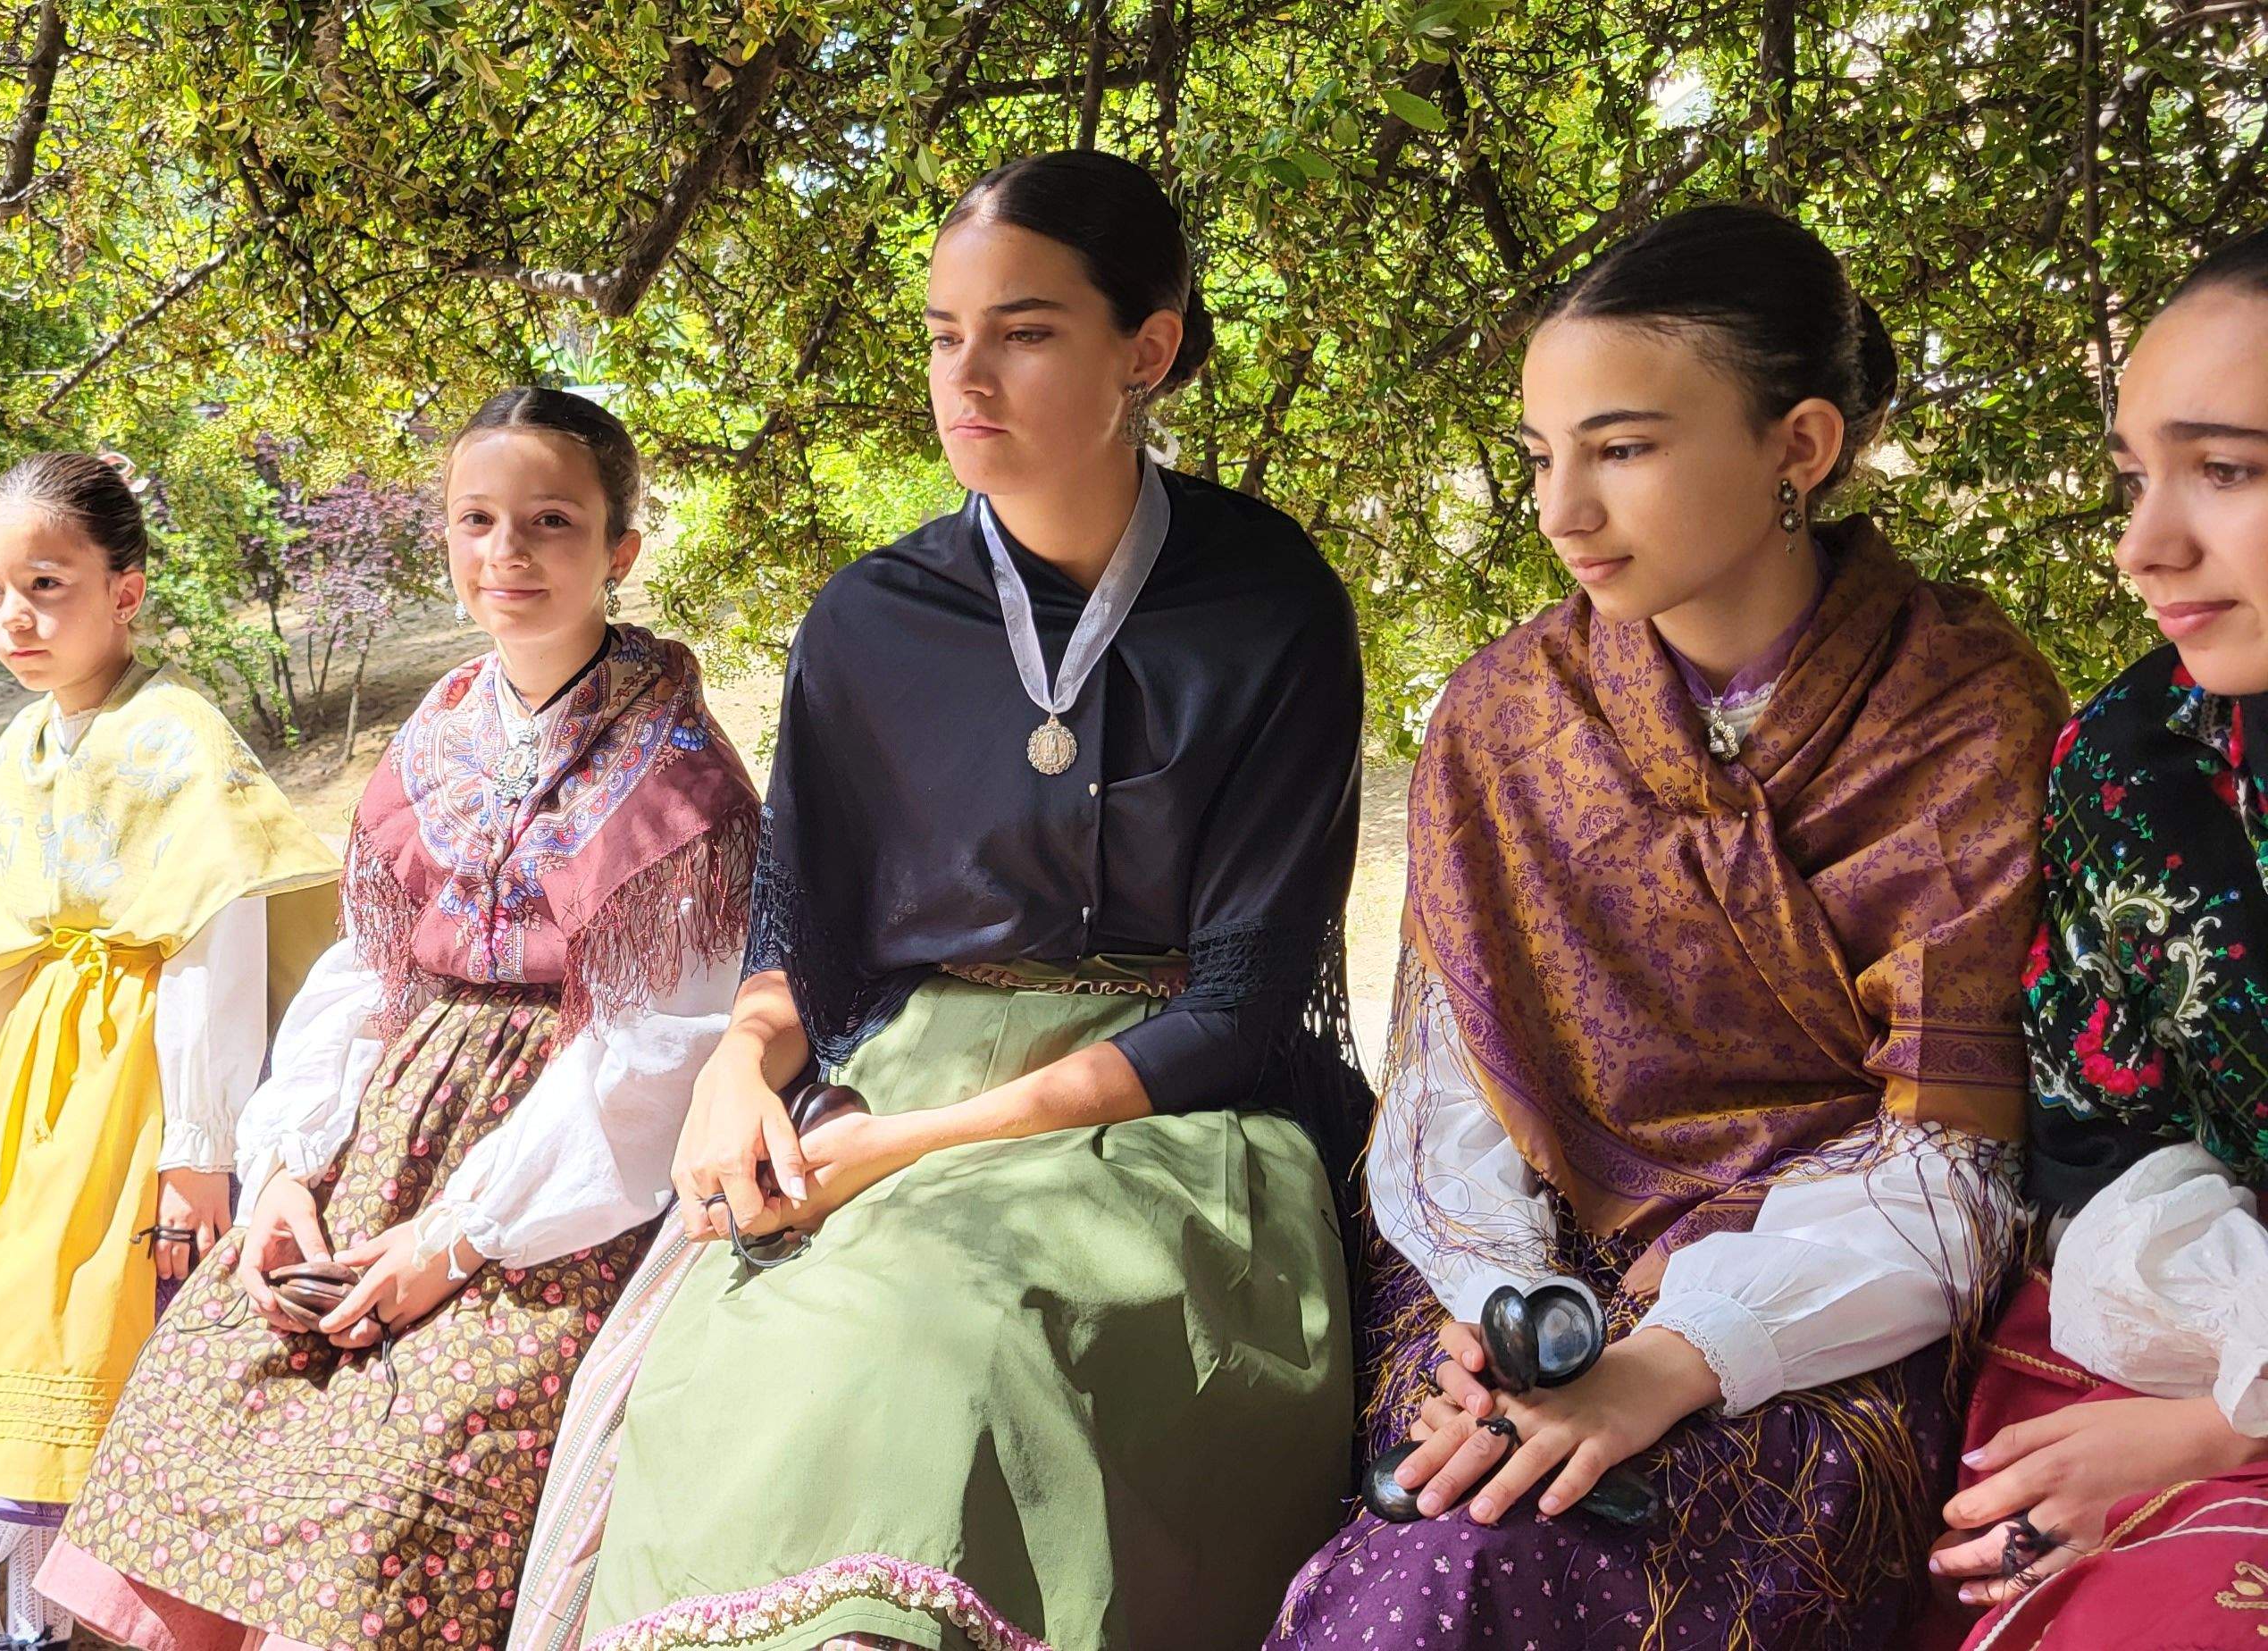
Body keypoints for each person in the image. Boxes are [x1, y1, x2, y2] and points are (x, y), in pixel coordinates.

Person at [558, 149, 1372, 1651]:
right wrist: (743, 1064)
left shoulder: (1271, 604)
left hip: (1173, 1124)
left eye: (1026, 329)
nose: (966, 375)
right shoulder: (871, 619)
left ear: (1150, 348)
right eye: (942, 331)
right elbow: (808, 933)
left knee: (957, 1334)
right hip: (906, 1068)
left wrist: (899, 1148)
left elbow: (1247, 1008)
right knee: (734, 1363)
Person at [1263, 205, 2065, 1651]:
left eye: (1621, 448)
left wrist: (1685, 1352)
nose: (1564, 510)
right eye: (1541, 458)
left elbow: (1952, 1155)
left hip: (1834, 1290)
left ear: (1800, 448)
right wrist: (1516, 1307)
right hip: (1516, 1261)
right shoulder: (1500, 720)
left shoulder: (1966, 704)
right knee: (1438, 1552)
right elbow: (1451, 1114)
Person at [38, 388, 759, 1651]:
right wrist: (281, 1171)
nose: (509, 553)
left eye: (551, 520)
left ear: (620, 551)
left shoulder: (683, 774)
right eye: (477, 520)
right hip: (384, 1140)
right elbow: (370, 977)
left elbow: (655, 1058)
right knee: (200, 1390)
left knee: (411, 1478)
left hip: (553, 1193)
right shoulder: (437, 728)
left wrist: (463, 1235)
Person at [0, 451, 339, 1651]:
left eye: (47, 583)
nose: (16, 617)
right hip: (43, 1092)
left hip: (137, 1086)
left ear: (126, 590)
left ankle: (40, 1611)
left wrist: (198, 1148)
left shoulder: (177, 740)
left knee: (109, 1345)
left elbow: (212, 950)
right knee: (26, 1328)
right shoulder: (27, 746)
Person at [1906, 229, 2268, 1649]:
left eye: (2228, 471)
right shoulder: (2136, 764)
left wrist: (2216, 1429)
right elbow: (2103, 1153)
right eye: (2133, 478)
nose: (2143, 546)